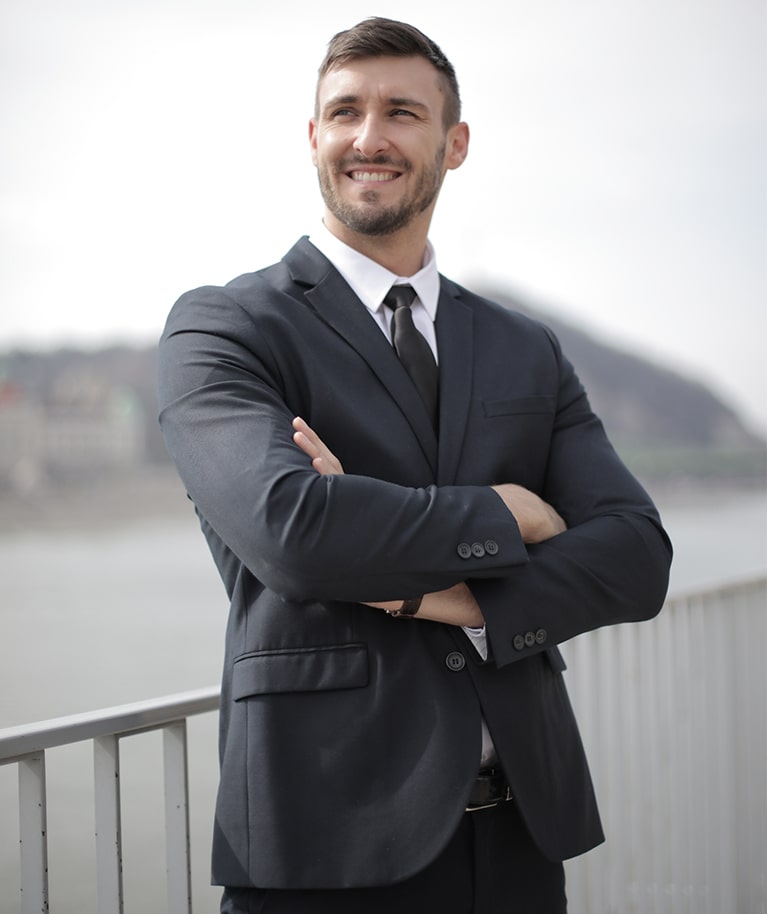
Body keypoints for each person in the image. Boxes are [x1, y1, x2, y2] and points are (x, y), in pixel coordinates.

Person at [157, 16, 672, 914]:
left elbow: (636, 556)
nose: (369, 137)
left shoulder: (524, 347)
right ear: (312, 136)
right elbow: (295, 534)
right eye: (344, 112)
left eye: (401, 112)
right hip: (324, 845)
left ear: (453, 143)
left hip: (519, 840)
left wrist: (434, 594)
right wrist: (508, 513)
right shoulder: (225, 326)